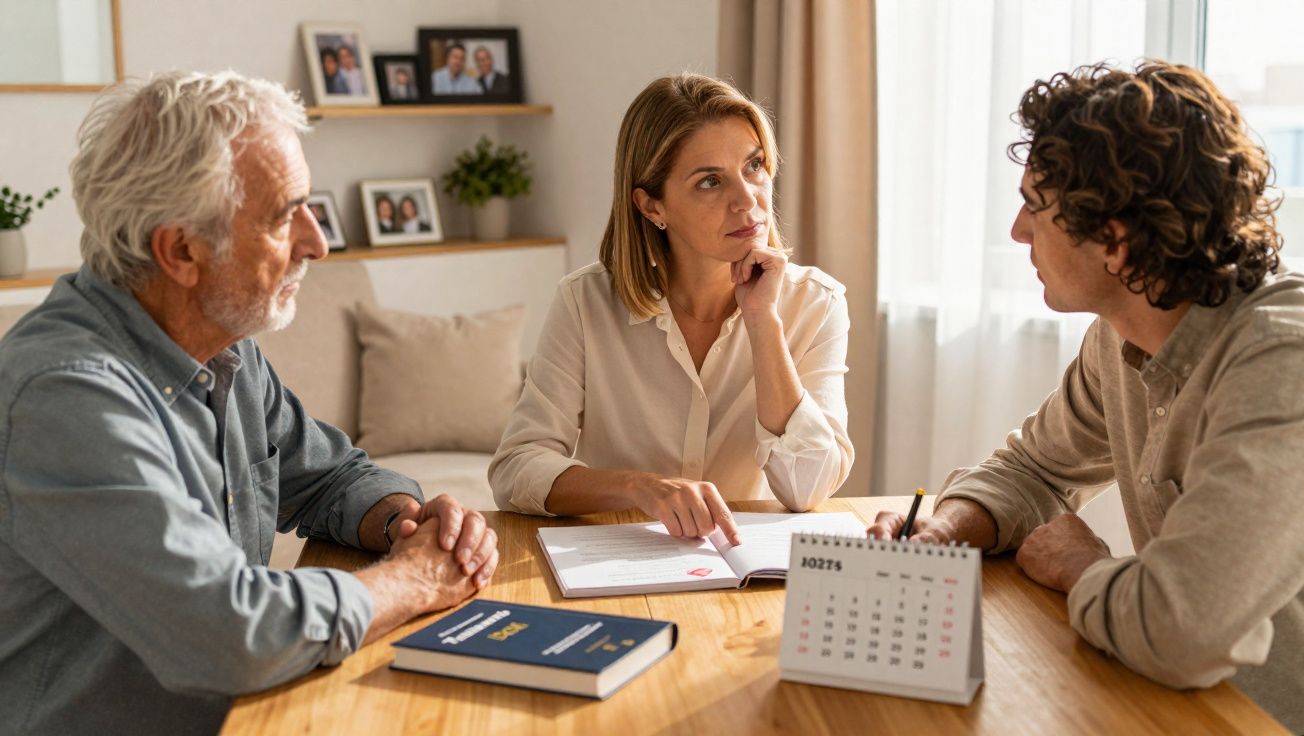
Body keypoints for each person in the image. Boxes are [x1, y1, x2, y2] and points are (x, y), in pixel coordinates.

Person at [0, 70, 499, 734]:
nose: (317, 242)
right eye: (284, 215)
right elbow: (229, 632)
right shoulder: (64, 397)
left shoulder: (224, 348)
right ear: (181, 251)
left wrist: (406, 520)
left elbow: (333, 477)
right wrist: (415, 579)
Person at [868, 61, 1304, 733]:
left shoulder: (1285, 360)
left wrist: (1083, 567)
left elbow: (1181, 629)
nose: (1018, 231)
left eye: (1035, 208)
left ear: (1113, 241)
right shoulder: (1124, 333)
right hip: (1178, 702)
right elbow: (1034, 468)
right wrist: (946, 526)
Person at [489, 73, 854, 542]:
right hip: (620, 567)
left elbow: (809, 487)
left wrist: (764, 322)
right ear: (651, 207)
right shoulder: (586, 302)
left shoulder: (815, 304)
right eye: (709, 182)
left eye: (755, 166)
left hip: (750, 572)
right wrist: (638, 487)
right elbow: (516, 468)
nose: (748, 200)